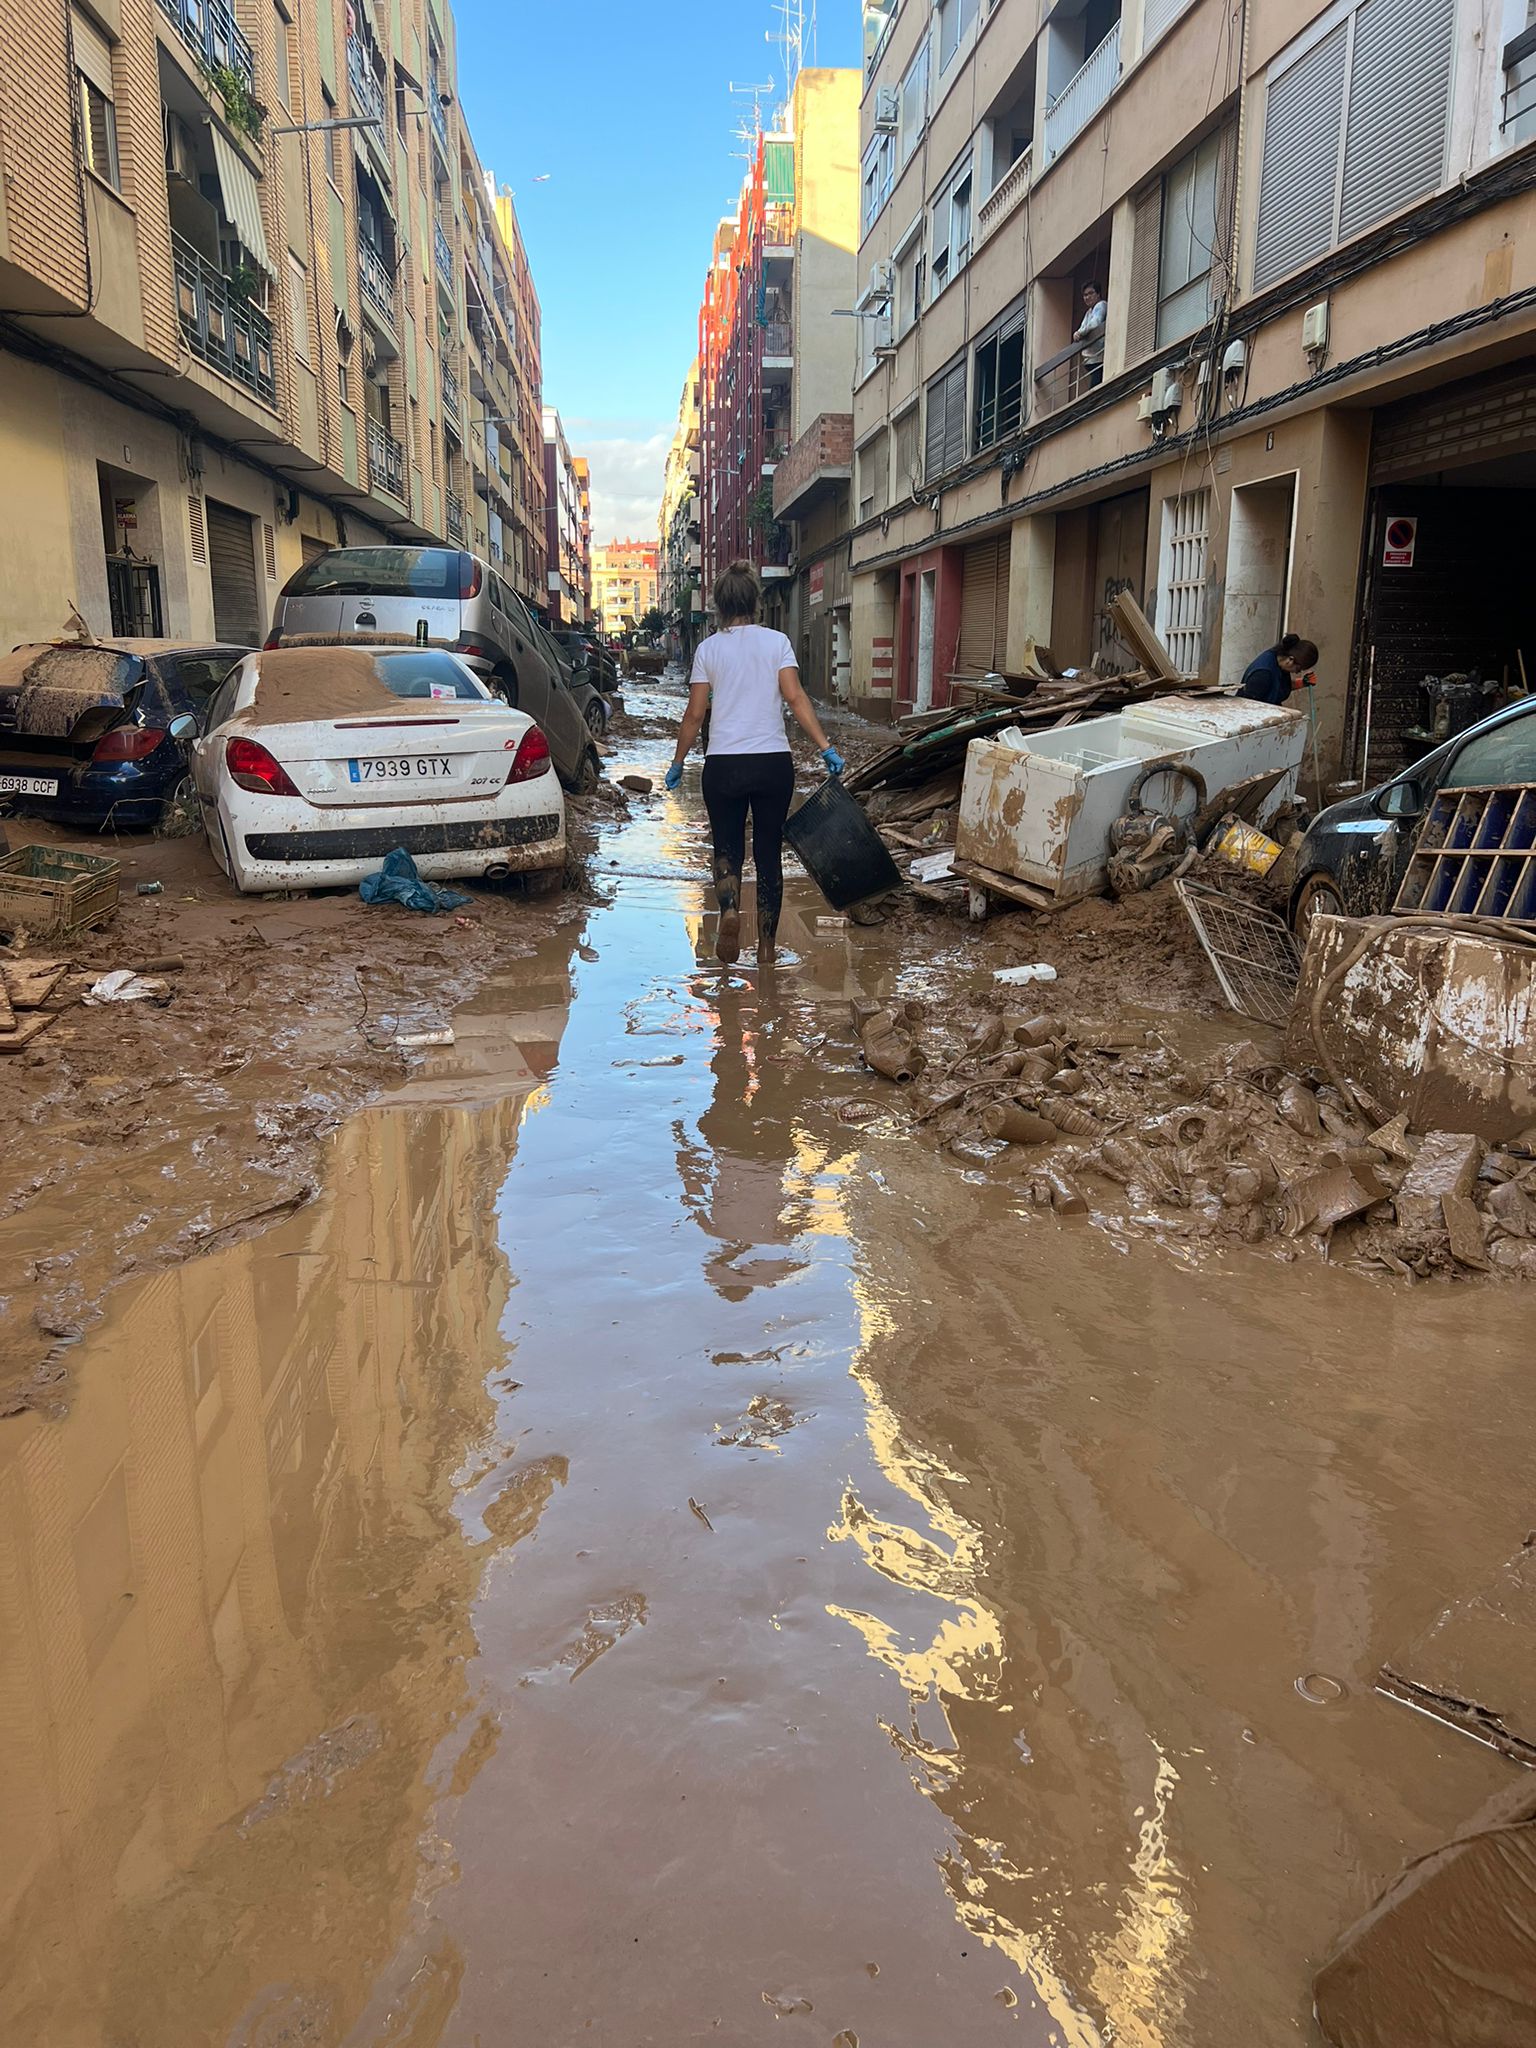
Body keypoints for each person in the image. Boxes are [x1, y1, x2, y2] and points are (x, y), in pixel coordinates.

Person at [665, 559, 844, 967]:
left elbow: (695, 714)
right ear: (755, 602)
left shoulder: (708, 649)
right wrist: (824, 747)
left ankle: (729, 910)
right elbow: (796, 698)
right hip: (772, 764)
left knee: (726, 846)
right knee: (768, 853)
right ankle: (765, 947)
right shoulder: (777, 641)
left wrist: (678, 761)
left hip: (723, 765)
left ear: (720, 605)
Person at [1239, 632, 1319, 706]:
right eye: (1298, 669)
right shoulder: (1262, 674)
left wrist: (1303, 682)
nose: (1296, 672)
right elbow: (1247, 708)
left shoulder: (1280, 661)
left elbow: (1277, 686)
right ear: (1290, 660)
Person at [1074, 282, 1106, 389]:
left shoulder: (1101, 305)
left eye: (1090, 293)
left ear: (1098, 294)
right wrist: (1077, 333)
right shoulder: (1089, 312)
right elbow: (1083, 327)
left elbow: (1095, 322)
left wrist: (1080, 333)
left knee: (1096, 387)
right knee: (1095, 384)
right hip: (1092, 358)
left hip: (1100, 356)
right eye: (1085, 295)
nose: (1087, 297)